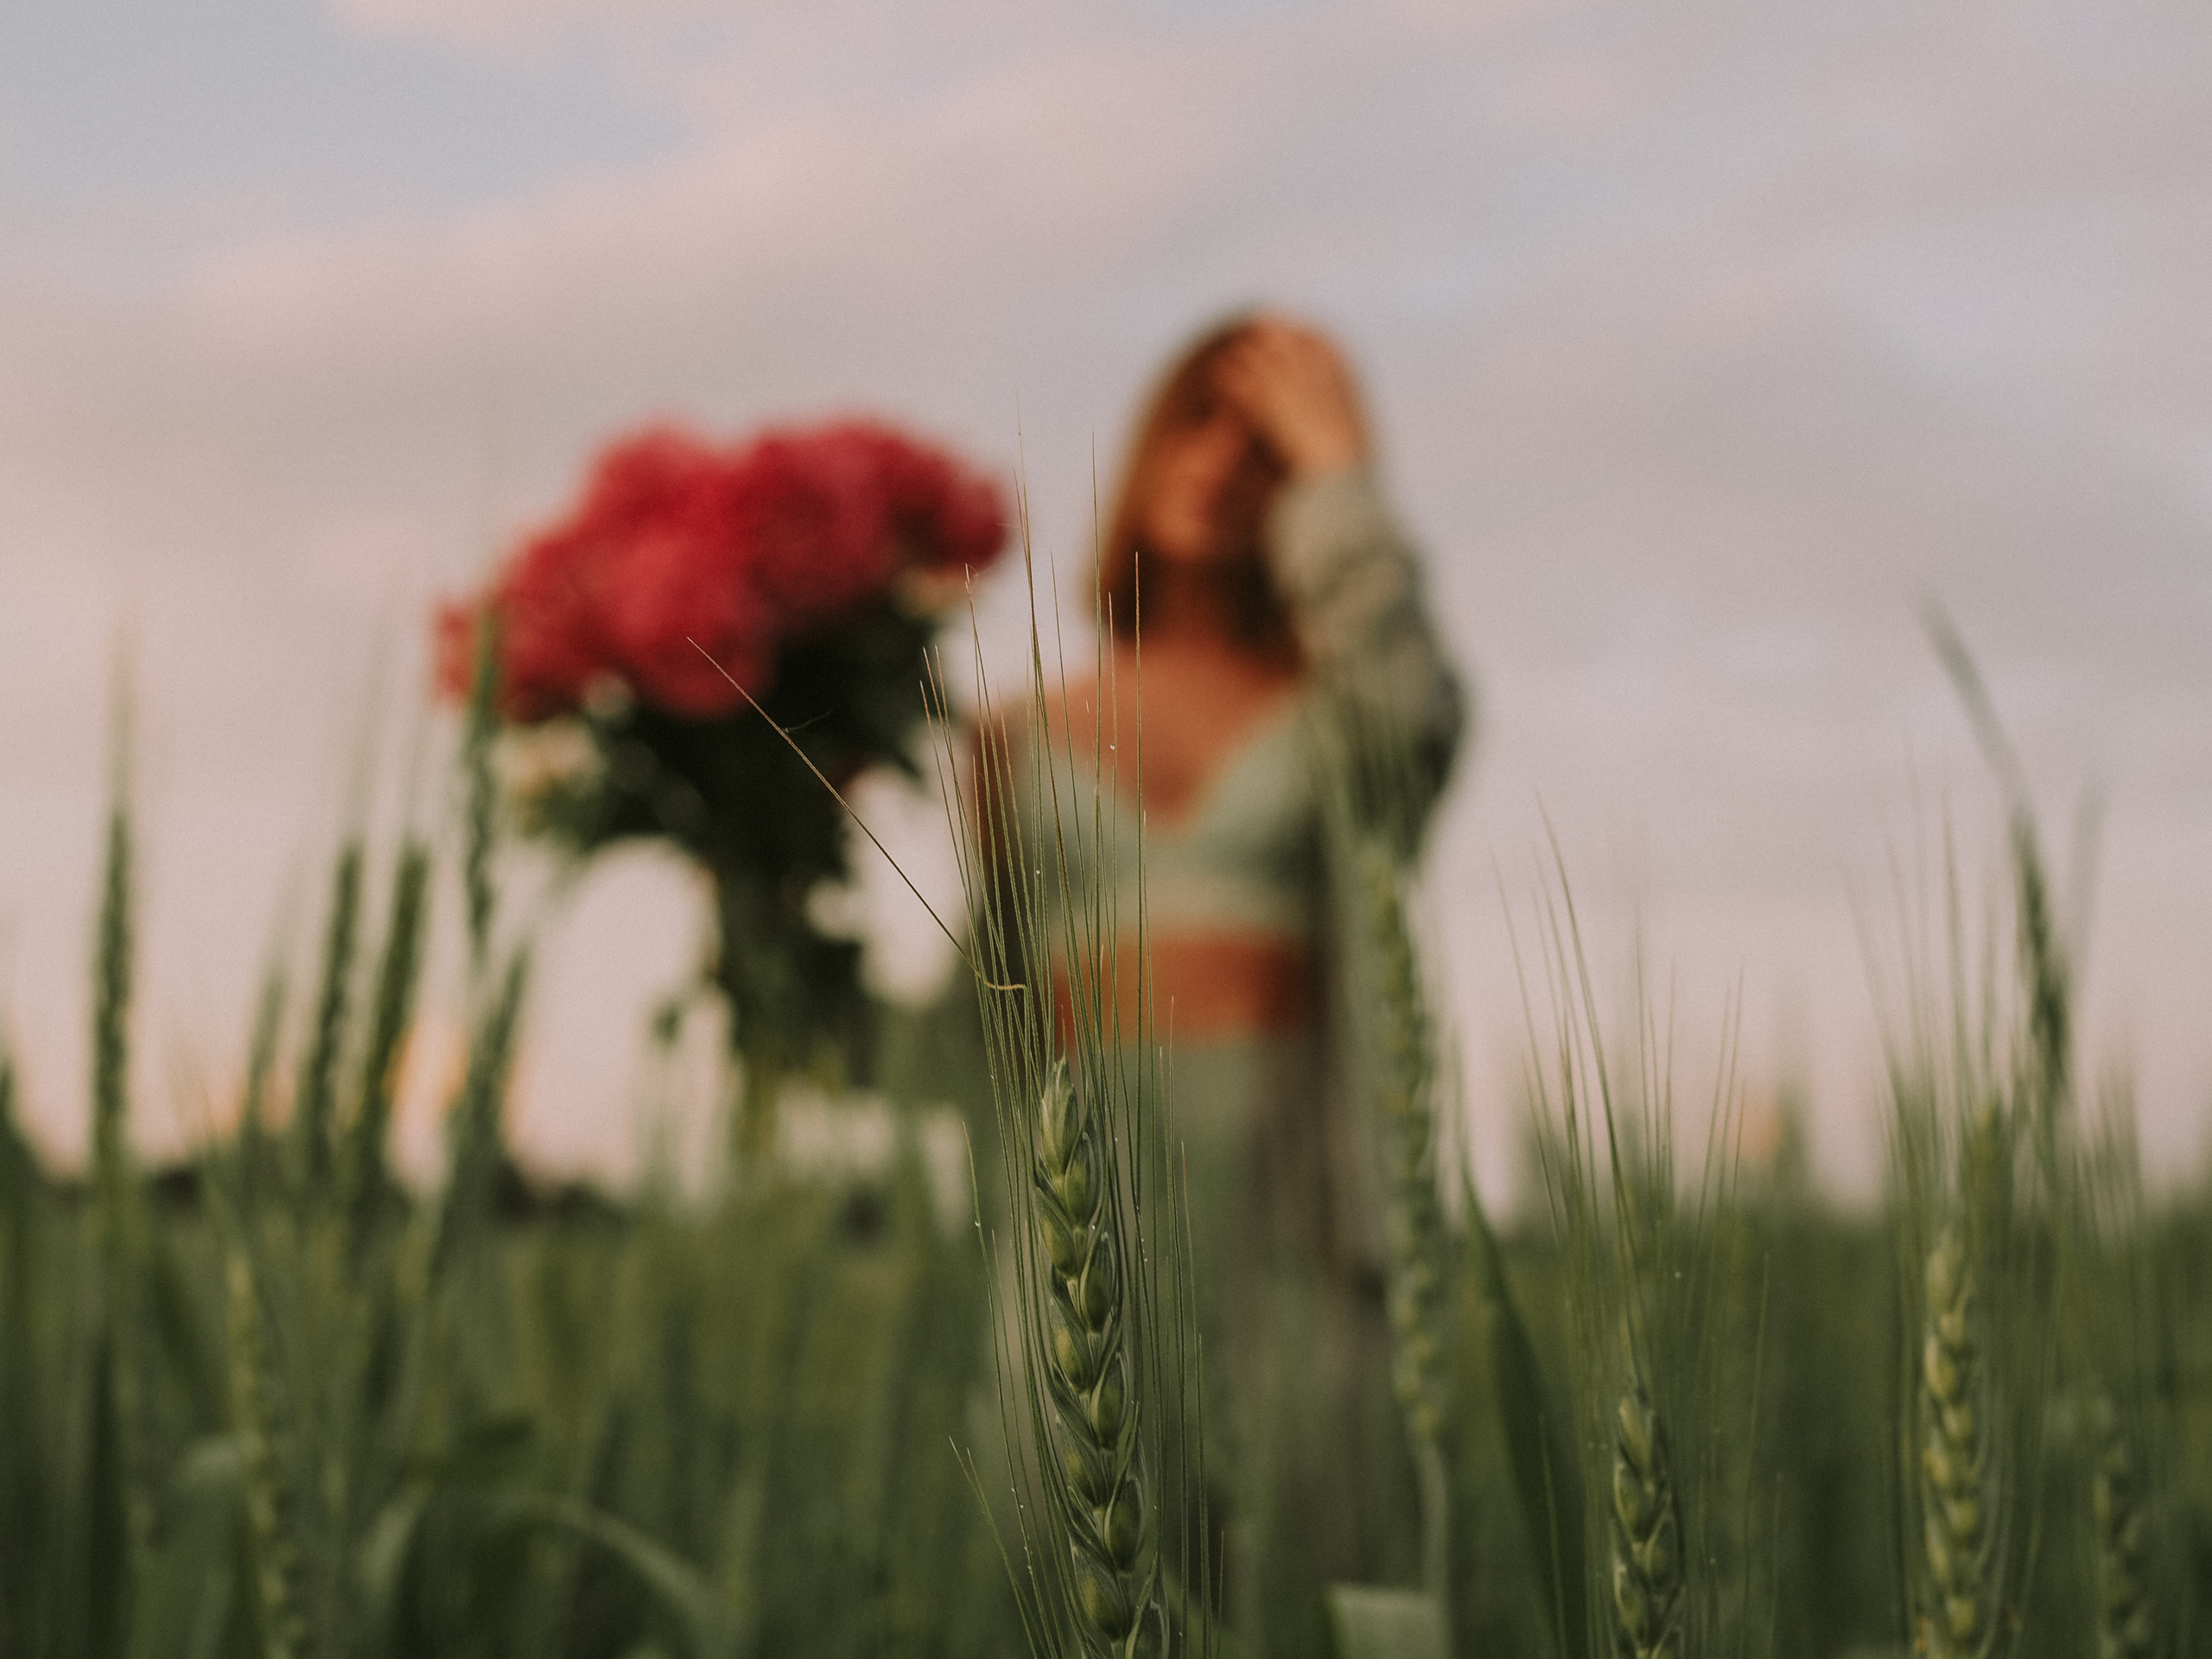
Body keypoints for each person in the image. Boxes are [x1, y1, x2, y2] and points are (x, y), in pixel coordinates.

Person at [991, 313, 1465, 1655]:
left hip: (1293, 1213)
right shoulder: (1010, 735)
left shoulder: (1340, 718)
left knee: (1303, 1587)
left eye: (1270, 449)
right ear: (1148, 445)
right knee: (1076, 1591)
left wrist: (1345, 488)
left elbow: (1417, 725)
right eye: (1199, 420)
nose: (1223, 463)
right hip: (1079, 1222)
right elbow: (966, 1011)